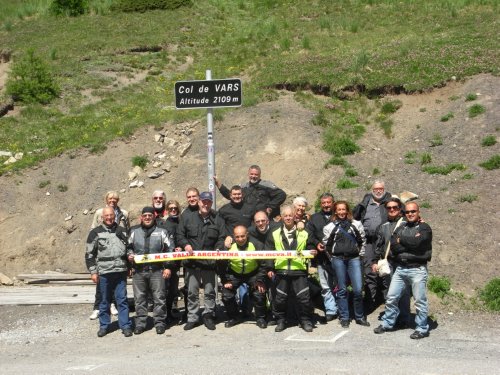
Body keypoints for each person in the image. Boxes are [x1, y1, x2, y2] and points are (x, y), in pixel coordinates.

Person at [374, 202, 432, 339]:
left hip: (417, 269)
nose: (410, 214)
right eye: (407, 212)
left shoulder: (425, 228)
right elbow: (394, 245)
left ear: (418, 212)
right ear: (404, 213)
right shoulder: (401, 227)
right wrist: (409, 243)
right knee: (391, 297)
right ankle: (387, 323)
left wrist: (403, 241)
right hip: (400, 269)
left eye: (413, 211)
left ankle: (422, 328)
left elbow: (419, 244)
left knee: (419, 300)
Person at [176, 191, 225, 331]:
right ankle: (192, 317)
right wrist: (185, 244)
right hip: (192, 263)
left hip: (209, 263)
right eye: (203, 201)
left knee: (210, 291)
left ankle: (208, 315)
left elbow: (221, 237)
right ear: (199, 202)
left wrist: (218, 248)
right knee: (192, 292)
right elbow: (179, 234)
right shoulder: (187, 217)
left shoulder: (217, 219)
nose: (206, 204)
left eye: (208, 201)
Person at [265, 205, 314, 333]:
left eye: (290, 215)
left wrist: (312, 252)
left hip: (299, 270)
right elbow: (269, 251)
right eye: (285, 215)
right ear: (281, 217)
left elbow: (311, 245)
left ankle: (305, 320)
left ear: (294, 216)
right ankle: (280, 320)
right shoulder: (274, 233)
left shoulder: (304, 232)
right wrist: (270, 267)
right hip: (281, 271)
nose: (288, 218)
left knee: (304, 298)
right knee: (280, 299)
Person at [85, 207, 132, 337]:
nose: (109, 218)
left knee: (122, 300)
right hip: (104, 272)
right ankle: (104, 326)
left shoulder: (122, 231)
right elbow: (89, 254)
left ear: (115, 216)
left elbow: (129, 249)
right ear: (102, 217)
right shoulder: (95, 232)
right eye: (107, 216)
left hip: (120, 271)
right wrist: (93, 272)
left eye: (111, 215)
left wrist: (129, 265)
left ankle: (125, 325)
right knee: (104, 301)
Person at [127, 207, 174, 335]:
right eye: (145, 215)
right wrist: (129, 255)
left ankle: (159, 323)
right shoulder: (133, 231)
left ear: (154, 217)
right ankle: (141, 324)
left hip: (157, 271)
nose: (147, 218)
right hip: (139, 271)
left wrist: (168, 266)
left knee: (159, 298)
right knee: (139, 299)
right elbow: (128, 246)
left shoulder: (162, 231)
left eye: (150, 215)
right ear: (141, 217)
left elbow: (170, 249)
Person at [323, 201, 369, 329]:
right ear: (335, 211)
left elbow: (362, 241)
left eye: (344, 209)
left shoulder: (356, 224)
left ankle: (359, 316)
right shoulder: (329, 227)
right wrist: (332, 259)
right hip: (338, 259)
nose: (342, 212)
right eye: (339, 210)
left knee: (358, 289)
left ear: (347, 210)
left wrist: (360, 256)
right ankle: (344, 317)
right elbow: (327, 245)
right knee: (342, 289)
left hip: (354, 259)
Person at [89, 191, 130, 320]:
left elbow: (127, 229)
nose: (112, 200)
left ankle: (113, 305)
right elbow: (93, 228)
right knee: (102, 286)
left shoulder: (124, 213)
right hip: (104, 248)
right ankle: (97, 307)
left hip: (119, 251)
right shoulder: (99, 212)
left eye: (115, 199)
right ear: (106, 199)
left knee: (119, 287)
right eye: (110, 198)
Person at [353, 180, 392, 312]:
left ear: (384, 189)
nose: (378, 191)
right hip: (368, 241)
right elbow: (354, 216)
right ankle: (370, 299)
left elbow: (403, 213)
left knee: (386, 269)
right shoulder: (365, 203)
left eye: (381, 188)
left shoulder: (390, 202)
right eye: (376, 189)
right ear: (372, 190)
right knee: (369, 271)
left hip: (385, 241)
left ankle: (389, 300)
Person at [372, 197, 411, 327]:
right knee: (390, 292)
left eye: (395, 207)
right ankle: (392, 318)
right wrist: (374, 261)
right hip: (388, 264)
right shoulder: (382, 227)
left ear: (400, 209)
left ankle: (404, 318)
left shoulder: (408, 224)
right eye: (389, 208)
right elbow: (377, 246)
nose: (392, 210)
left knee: (404, 292)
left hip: (404, 263)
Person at [219, 225, 268, 329]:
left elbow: (264, 264)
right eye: (237, 237)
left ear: (247, 235)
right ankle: (234, 317)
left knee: (259, 293)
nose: (240, 239)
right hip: (234, 274)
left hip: (253, 273)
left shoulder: (256, 244)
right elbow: (220, 264)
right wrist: (226, 280)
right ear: (233, 236)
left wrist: (260, 280)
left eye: (242, 236)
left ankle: (260, 318)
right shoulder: (228, 246)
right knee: (226, 294)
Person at [306, 192, 338, 322]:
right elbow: (310, 235)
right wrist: (316, 244)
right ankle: (330, 310)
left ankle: (342, 308)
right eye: (323, 203)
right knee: (325, 286)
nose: (326, 205)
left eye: (328, 202)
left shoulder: (340, 215)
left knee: (339, 284)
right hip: (322, 258)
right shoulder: (314, 218)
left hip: (339, 257)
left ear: (333, 203)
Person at [214, 164, 286, 219]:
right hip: (248, 219)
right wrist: (218, 184)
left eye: (256, 174)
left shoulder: (266, 185)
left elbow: (281, 195)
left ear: (260, 175)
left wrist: (270, 207)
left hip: (264, 219)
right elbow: (230, 196)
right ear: (248, 174)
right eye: (252, 174)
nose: (253, 176)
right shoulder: (243, 186)